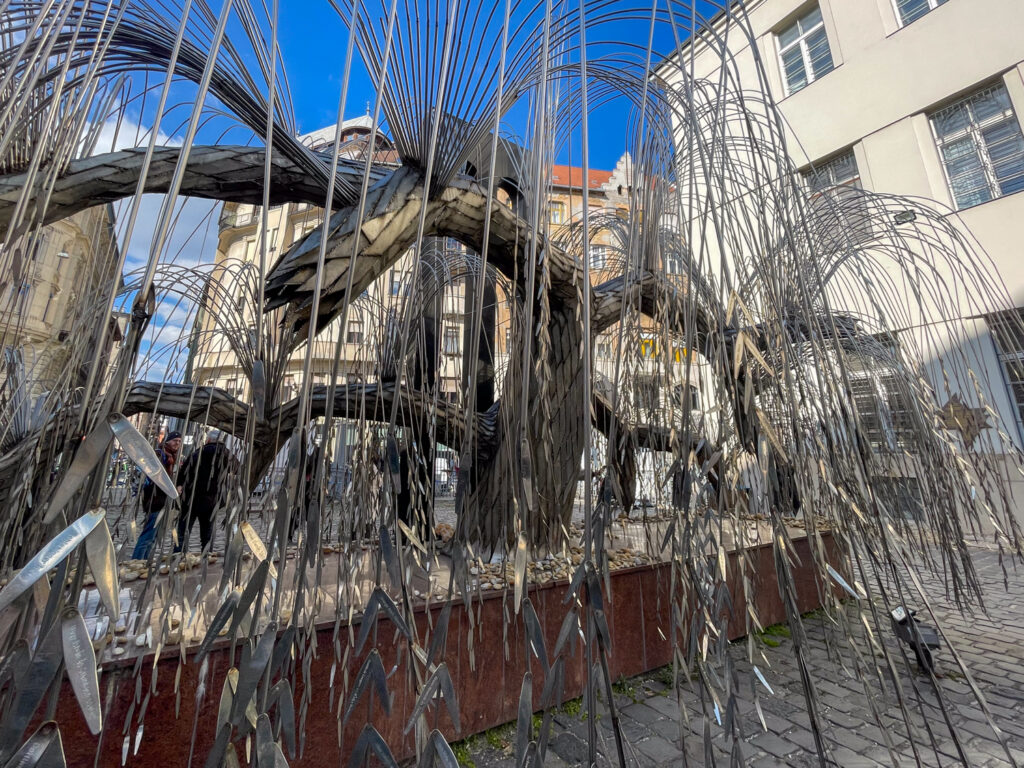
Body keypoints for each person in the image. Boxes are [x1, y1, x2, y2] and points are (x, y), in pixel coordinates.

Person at [175, 429, 235, 553]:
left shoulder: (198, 453)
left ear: (208, 440)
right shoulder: (227, 455)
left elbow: (184, 472)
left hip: (192, 498)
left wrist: (179, 485)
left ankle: (178, 556)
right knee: (207, 534)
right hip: (212, 500)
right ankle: (207, 557)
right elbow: (238, 470)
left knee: (183, 531)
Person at [132, 431, 182, 560]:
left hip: (163, 499)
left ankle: (144, 560)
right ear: (167, 441)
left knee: (153, 535)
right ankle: (136, 561)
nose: (177, 443)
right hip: (155, 499)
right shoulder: (160, 454)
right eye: (175, 440)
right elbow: (153, 476)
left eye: (179, 441)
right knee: (149, 534)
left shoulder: (172, 456)